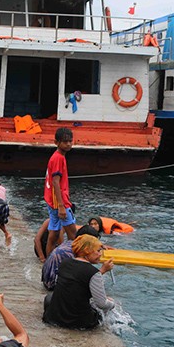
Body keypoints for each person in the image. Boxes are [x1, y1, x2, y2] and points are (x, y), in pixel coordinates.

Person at [43, 234, 115, 330]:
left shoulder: (64, 263)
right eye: (98, 251)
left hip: (53, 318)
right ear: (87, 251)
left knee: (49, 297)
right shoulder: (93, 272)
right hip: (79, 322)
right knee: (107, 307)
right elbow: (101, 304)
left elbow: (73, 286)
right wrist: (112, 304)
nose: (100, 254)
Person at [44, 127, 76, 256]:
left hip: (52, 201)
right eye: (65, 141)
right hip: (59, 202)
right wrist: (62, 206)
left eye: (70, 141)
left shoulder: (57, 157)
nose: (68, 144)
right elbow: (55, 182)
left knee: (54, 233)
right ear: (56, 142)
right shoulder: (58, 158)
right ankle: (74, 263)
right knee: (73, 235)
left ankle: (48, 261)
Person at [42, 225, 101, 291]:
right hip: (52, 285)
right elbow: (83, 277)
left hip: (47, 278)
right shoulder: (70, 253)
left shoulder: (72, 244)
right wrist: (103, 270)